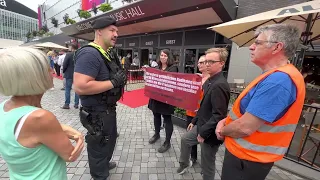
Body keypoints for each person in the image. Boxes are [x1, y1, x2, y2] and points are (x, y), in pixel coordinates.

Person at [215, 24, 306, 180]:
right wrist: (226, 120)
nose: (251, 47)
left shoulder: (278, 81)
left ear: (277, 47)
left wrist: (222, 131)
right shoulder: (275, 76)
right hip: (247, 157)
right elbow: (246, 113)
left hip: (247, 159)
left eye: (257, 43)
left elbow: (244, 127)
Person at [0, 47, 84, 180]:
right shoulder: (39, 117)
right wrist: (80, 138)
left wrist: (60, 128)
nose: (52, 70)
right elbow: (70, 154)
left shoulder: (3, 108)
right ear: (32, 76)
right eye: (46, 68)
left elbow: (33, 131)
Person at [73, 17, 126, 180]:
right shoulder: (89, 53)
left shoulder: (106, 53)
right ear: (99, 32)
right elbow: (80, 86)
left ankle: (104, 164)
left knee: (109, 143)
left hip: (108, 110)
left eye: (116, 31)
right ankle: (99, 174)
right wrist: (113, 82)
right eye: (112, 30)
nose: (116, 34)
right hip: (97, 114)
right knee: (99, 146)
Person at [177, 48, 230, 180]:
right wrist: (194, 121)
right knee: (185, 140)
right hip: (201, 125)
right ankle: (184, 164)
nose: (207, 64)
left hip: (210, 132)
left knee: (207, 164)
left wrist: (203, 133)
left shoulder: (219, 85)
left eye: (211, 61)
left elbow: (219, 115)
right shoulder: (210, 81)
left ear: (222, 63)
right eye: (206, 61)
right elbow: (203, 107)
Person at [148, 49, 179, 153]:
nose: (163, 57)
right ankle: (156, 134)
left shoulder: (173, 68)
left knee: (167, 118)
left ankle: (167, 142)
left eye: (165, 55)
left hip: (166, 98)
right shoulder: (156, 67)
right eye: (161, 55)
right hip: (156, 97)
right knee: (156, 115)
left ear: (168, 57)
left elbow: (171, 82)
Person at [185, 55, 209, 164]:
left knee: (204, 138)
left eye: (202, 62)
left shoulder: (211, 81)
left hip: (203, 116)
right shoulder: (195, 78)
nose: (200, 64)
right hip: (191, 112)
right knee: (191, 136)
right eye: (199, 62)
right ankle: (193, 157)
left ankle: (206, 163)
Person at [61, 44, 80, 109]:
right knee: (77, 89)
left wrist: (64, 71)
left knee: (67, 89)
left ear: (71, 48)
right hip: (78, 73)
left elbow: (65, 64)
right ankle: (76, 104)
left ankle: (67, 104)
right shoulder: (80, 54)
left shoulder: (68, 54)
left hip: (69, 74)